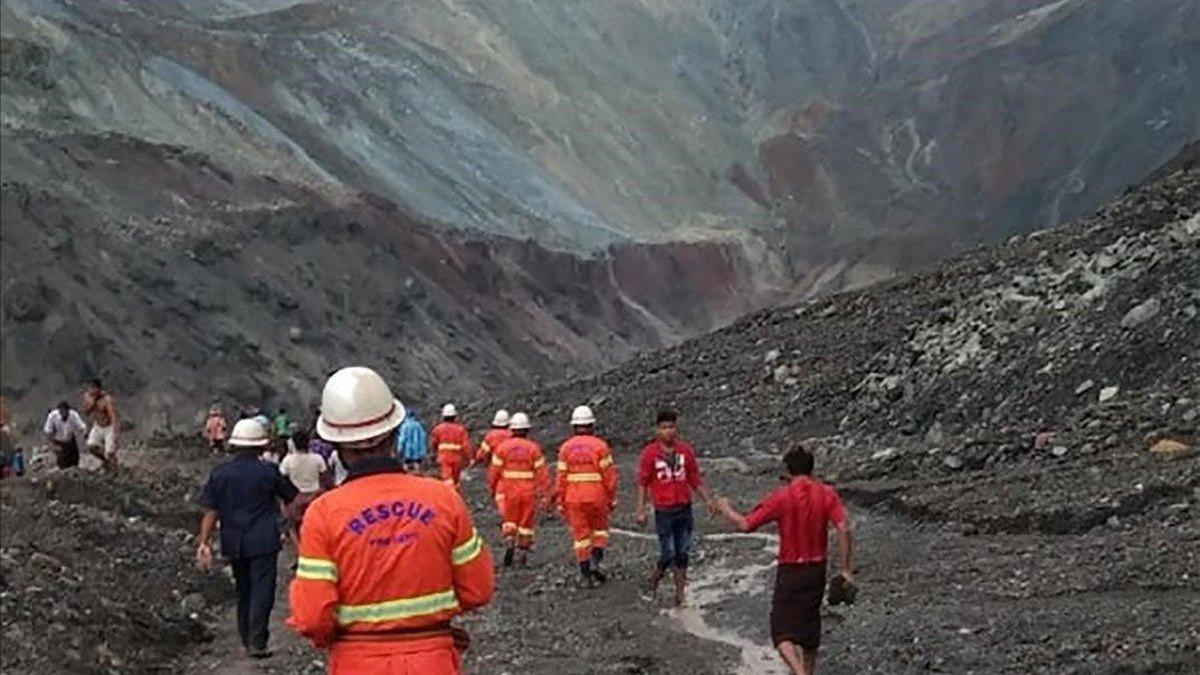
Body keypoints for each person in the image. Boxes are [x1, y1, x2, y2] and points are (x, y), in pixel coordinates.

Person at [288, 367, 494, 674]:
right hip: (433, 660)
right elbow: (478, 588)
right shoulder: (443, 498)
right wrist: (430, 626)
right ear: (395, 435)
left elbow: (313, 616)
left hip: (357, 662)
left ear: (336, 446)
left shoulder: (323, 513)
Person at [715, 445, 854, 675]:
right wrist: (846, 568)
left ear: (788, 470)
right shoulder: (827, 493)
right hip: (817, 568)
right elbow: (844, 526)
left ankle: (799, 673)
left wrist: (726, 508)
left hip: (791, 569)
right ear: (811, 469)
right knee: (810, 627)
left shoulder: (781, 496)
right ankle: (807, 672)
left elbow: (746, 524)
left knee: (781, 631)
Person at [196, 419, 299, 659]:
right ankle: (257, 641)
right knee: (262, 590)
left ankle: (245, 638)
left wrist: (204, 542)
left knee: (243, 589)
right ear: (261, 446)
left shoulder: (220, 474)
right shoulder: (268, 472)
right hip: (264, 539)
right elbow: (291, 497)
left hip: (234, 540)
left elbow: (210, 510)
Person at [635, 409, 715, 607]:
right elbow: (643, 483)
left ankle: (680, 594)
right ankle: (655, 579)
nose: (668, 431)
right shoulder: (650, 454)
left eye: (671, 427)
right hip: (664, 510)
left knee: (683, 552)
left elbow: (694, 478)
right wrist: (641, 509)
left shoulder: (685, 451)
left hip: (684, 508)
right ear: (657, 430)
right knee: (668, 553)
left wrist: (708, 500)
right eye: (664, 427)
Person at [555, 405, 618, 588]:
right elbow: (609, 476)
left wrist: (560, 501)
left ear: (574, 426)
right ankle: (596, 562)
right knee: (599, 531)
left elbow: (561, 478)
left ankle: (585, 574)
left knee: (581, 536)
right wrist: (612, 498)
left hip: (573, 497)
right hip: (597, 495)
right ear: (592, 425)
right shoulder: (600, 446)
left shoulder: (566, 448)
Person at [487, 412, 550, 567]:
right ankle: (522, 552)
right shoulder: (533, 448)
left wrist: (493, 488)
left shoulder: (502, 448)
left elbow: (494, 472)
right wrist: (546, 493)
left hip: (509, 490)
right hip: (528, 491)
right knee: (525, 523)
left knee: (510, 520)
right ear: (527, 429)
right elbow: (542, 474)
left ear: (512, 429)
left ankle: (509, 542)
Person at [278, 429, 328, 552]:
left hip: (295, 499)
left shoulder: (288, 460)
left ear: (293, 443)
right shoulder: (317, 459)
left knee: (292, 527)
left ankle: (300, 552)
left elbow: (282, 479)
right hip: (315, 496)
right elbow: (325, 478)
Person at [429, 404, 473, 490]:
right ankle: (455, 495)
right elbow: (466, 445)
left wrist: (433, 454)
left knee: (447, 479)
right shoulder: (461, 430)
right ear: (455, 416)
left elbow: (433, 444)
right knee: (455, 479)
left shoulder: (438, 429)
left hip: (444, 458)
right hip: (457, 458)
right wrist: (470, 457)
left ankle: (450, 495)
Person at [82, 379, 119, 472]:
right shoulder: (88, 397)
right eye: (90, 388)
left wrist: (115, 431)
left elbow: (112, 415)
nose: (91, 390)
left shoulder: (106, 400)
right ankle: (105, 461)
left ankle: (114, 470)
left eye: (94, 388)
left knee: (110, 452)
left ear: (98, 389)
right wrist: (92, 403)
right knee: (91, 446)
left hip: (108, 427)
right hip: (98, 426)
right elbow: (86, 412)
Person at [43, 401, 87, 470]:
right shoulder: (53, 416)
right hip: (58, 441)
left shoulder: (73, 415)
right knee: (62, 463)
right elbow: (48, 432)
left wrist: (82, 438)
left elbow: (82, 427)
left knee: (74, 462)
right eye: (60, 411)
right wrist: (54, 445)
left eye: (64, 411)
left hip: (70, 440)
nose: (62, 413)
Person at [397, 407, 428, 473]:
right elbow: (422, 438)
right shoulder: (418, 425)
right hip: (417, 452)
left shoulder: (404, 426)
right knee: (417, 465)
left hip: (407, 451)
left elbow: (402, 439)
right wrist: (423, 451)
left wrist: (399, 449)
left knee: (406, 465)